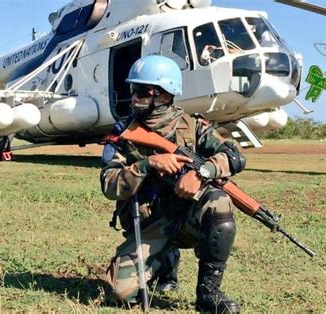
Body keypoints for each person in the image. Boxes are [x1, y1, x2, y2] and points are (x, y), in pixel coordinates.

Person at [100, 55, 246, 313]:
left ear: (165, 94)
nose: (134, 97)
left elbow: (234, 156)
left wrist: (202, 172)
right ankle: (166, 261)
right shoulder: (123, 132)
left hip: (187, 218)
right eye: (132, 90)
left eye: (142, 91)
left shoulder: (194, 127)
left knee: (218, 200)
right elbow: (109, 185)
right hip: (149, 224)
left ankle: (208, 294)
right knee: (118, 292)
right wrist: (148, 164)